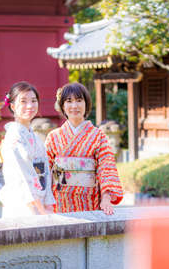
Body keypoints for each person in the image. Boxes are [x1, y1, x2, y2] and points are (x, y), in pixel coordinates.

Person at [45, 82, 123, 215]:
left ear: (86, 104)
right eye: (69, 101)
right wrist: (45, 200)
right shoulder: (53, 137)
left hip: (90, 202)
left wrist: (106, 198)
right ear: (63, 106)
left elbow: (106, 168)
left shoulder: (98, 136)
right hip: (59, 203)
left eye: (79, 100)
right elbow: (45, 170)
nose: (74, 106)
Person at [0, 82, 55, 217]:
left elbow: (46, 171)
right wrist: (41, 209)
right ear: (12, 106)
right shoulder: (14, 137)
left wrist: (48, 204)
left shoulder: (35, 138)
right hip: (22, 204)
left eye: (33, 101)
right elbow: (21, 177)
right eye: (23, 101)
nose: (30, 106)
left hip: (40, 203)